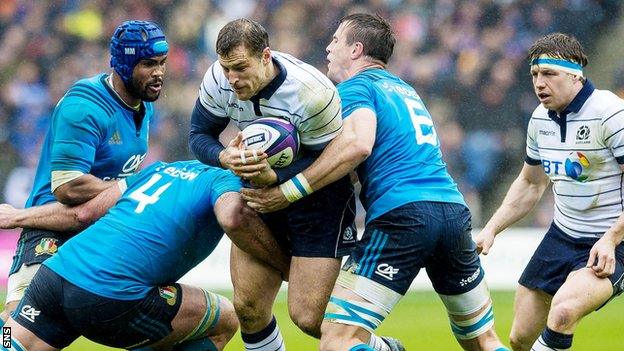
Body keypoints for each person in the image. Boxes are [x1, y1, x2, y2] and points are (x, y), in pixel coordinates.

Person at [241, 14, 509, 351]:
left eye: (336, 40)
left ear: (355, 50)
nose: (328, 47)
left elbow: (357, 144)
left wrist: (288, 190)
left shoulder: (357, 87)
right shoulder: (405, 89)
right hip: (453, 214)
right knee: (483, 340)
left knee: (337, 340)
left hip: (404, 216)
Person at [188, 18, 395, 351]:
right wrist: (223, 156)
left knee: (309, 318)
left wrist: (279, 179)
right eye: (227, 68)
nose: (233, 79)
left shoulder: (313, 92)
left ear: (266, 55)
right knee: (249, 309)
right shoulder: (217, 79)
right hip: (258, 191)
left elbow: (332, 161)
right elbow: (198, 135)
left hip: (318, 200)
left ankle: (384, 348)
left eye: (240, 68)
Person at [2, 159, 290, 351]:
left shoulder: (160, 168)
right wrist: (284, 265)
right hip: (111, 296)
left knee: (10, 338)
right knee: (224, 318)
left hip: (55, 275)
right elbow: (233, 219)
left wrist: (18, 217)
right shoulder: (224, 181)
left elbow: (83, 212)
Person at [1, 20, 168, 323]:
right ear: (124, 64)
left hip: (100, 229)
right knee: (16, 324)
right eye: (148, 64)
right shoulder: (85, 106)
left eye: (162, 63)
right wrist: (134, 186)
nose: (158, 72)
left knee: (154, 316)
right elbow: (68, 186)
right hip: (50, 227)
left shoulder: (145, 106)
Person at [475, 32, 624, 351]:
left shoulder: (611, 112)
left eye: (549, 74)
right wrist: (491, 229)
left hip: (613, 239)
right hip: (563, 236)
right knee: (520, 338)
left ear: (575, 74)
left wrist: (611, 238)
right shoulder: (540, 119)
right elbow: (531, 183)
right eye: (534, 75)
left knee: (564, 312)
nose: (539, 83)